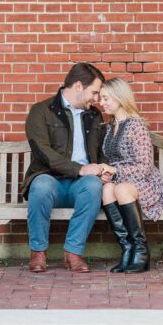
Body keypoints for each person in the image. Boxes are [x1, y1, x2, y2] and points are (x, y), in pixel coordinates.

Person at [23, 62, 110, 273]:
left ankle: (73, 252)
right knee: (40, 185)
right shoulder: (41, 111)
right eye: (95, 92)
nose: (97, 99)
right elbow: (43, 152)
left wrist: (103, 169)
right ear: (79, 86)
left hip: (80, 185)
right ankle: (38, 252)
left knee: (93, 186)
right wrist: (79, 169)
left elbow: (100, 151)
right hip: (50, 179)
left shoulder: (94, 116)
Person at [99, 78, 163, 273]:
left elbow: (145, 166)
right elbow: (113, 164)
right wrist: (107, 174)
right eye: (100, 98)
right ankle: (127, 249)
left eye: (105, 98)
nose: (101, 102)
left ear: (119, 98)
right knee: (106, 189)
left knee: (121, 189)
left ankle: (141, 251)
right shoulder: (110, 127)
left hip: (144, 183)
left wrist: (116, 171)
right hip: (122, 181)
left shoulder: (136, 126)